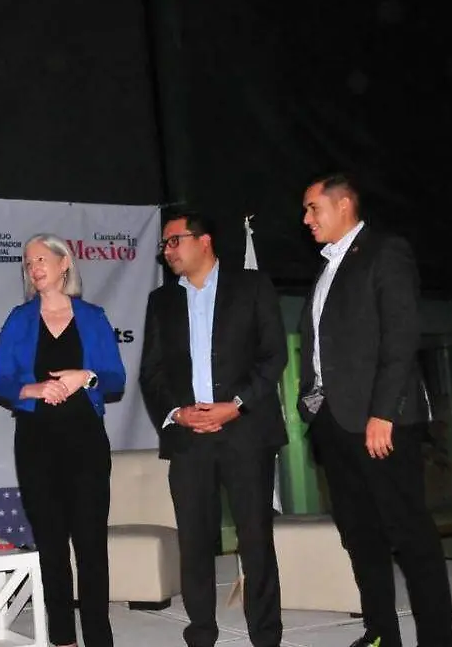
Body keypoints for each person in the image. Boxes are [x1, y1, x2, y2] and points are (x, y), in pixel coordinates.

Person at [298, 173, 452, 647]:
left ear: (344, 205)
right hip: (334, 422)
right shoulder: (327, 267)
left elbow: (401, 336)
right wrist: (311, 407)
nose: (306, 219)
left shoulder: (385, 252)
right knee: (361, 536)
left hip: (379, 422)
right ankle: (381, 634)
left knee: (410, 537)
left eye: (313, 208)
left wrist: (383, 413)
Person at [138, 210, 287, 647]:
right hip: (189, 439)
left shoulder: (252, 286)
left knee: (256, 539)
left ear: (204, 241)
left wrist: (235, 405)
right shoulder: (161, 301)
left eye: (174, 241)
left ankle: (266, 636)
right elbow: (152, 372)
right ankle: (201, 633)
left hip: (246, 432)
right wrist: (177, 413)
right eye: (163, 244)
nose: (166, 251)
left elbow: (273, 355)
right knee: (195, 541)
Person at [0, 233, 126, 647]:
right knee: (51, 545)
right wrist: (31, 389)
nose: (33, 268)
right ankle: (63, 638)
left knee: (91, 544)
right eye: (28, 262)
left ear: (64, 262)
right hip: (36, 443)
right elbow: (0, 381)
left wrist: (86, 377)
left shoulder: (93, 317)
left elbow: (115, 377)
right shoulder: (19, 319)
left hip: (85, 440)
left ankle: (99, 638)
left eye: (41, 259)